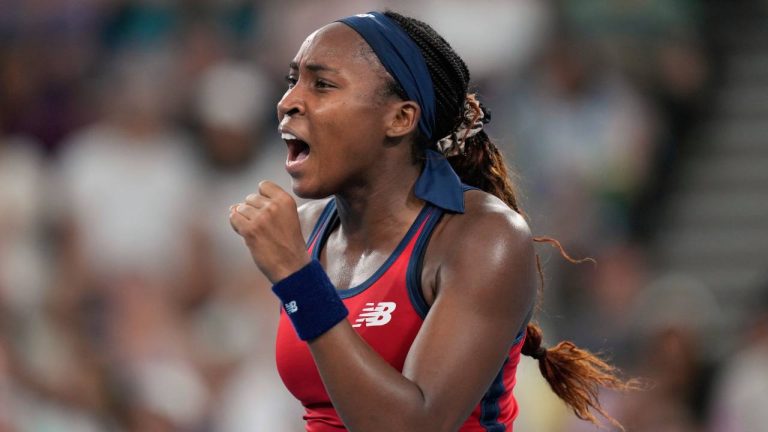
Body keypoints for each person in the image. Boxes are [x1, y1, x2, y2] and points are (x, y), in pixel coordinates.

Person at [230, 10, 634, 431]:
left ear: (400, 118)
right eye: (292, 80)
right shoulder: (306, 230)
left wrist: (297, 276)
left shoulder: (482, 238)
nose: (288, 101)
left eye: (323, 84)